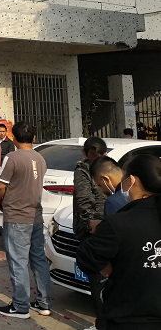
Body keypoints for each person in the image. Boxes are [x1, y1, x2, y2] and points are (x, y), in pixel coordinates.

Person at [77, 154, 161, 329]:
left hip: (126, 318)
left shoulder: (118, 223)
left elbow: (87, 259)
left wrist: (107, 266)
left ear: (132, 181)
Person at [0, 121, 52, 319]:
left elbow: (0, 185)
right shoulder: (40, 158)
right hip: (35, 216)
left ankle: (20, 306)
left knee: (18, 262)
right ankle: (43, 303)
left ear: (14, 138)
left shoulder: (12, 157)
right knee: (38, 260)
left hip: (17, 217)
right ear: (34, 138)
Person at [74, 137, 109, 330]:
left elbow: (83, 201)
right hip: (102, 227)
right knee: (101, 278)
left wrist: (91, 224)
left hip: (97, 229)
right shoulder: (108, 167)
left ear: (84, 153)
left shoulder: (84, 170)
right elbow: (85, 201)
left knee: (98, 279)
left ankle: (102, 324)